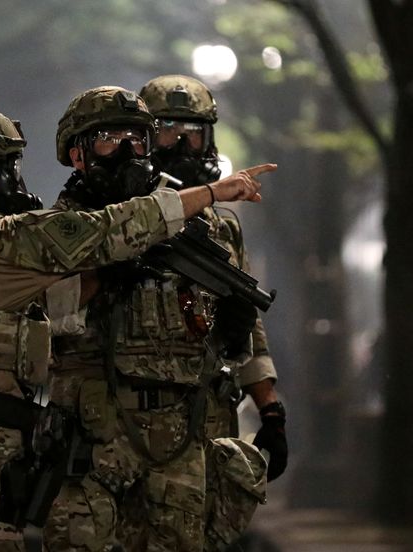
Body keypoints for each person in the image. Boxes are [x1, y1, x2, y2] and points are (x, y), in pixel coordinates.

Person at [0, 105, 272, 552]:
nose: (14, 180)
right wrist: (212, 192)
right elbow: (112, 229)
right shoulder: (1, 237)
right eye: (9, 167)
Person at [42, 86, 276, 552]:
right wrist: (112, 268)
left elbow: (237, 335)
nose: (128, 150)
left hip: (180, 428)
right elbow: (50, 307)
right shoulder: (56, 225)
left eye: (138, 137)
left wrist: (268, 403)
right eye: (110, 137)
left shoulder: (199, 226)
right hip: (93, 427)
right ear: (78, 153)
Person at [141, 74, 289, 549]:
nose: (181, 143)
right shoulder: (121, 218)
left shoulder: (222, 228)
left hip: (203, 410)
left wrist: (271, 411)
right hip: (127, 412)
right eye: (166, 130)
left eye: (193, 131)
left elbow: (248, 320)